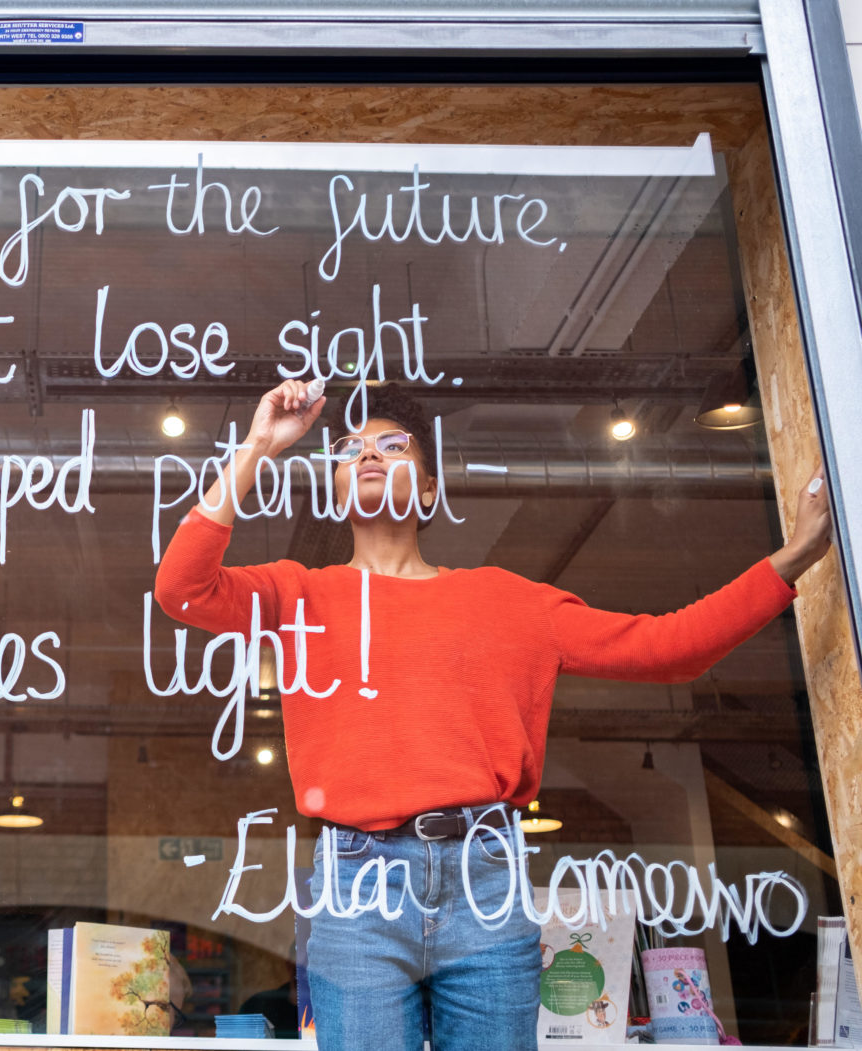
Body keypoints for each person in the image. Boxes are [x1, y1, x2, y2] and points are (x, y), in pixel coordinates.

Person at [153, 380, 832, 1051]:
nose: (366, 454)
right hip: (354, 886)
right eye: (349, 449)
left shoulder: (508, 602)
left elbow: (667, 648)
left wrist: (792, 558)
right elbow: (181, 588)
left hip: (486, 878)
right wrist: (259, 447)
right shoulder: (299, 594)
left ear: (427, 491)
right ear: (334, 492)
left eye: (393, 445)